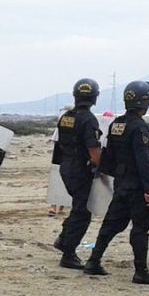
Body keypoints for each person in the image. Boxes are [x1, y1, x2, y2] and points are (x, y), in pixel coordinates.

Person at [83, 81, 149, 285]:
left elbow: (108, 156)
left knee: (111, 224)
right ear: (143, 102)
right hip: (136, 185)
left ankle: (93, 260)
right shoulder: (139, 127)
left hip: (121, 183)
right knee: (140, 227)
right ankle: (141, 271)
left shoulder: (117, 123)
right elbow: (143, 160)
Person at [52, 80, 102, 268]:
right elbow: (93, 150)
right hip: (80, 168)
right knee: (82, 211)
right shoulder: (88, 119)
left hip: (66, 166)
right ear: (94, 97)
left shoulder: (66, 117)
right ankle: (68, 253)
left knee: (78, 206)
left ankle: (64, 239)